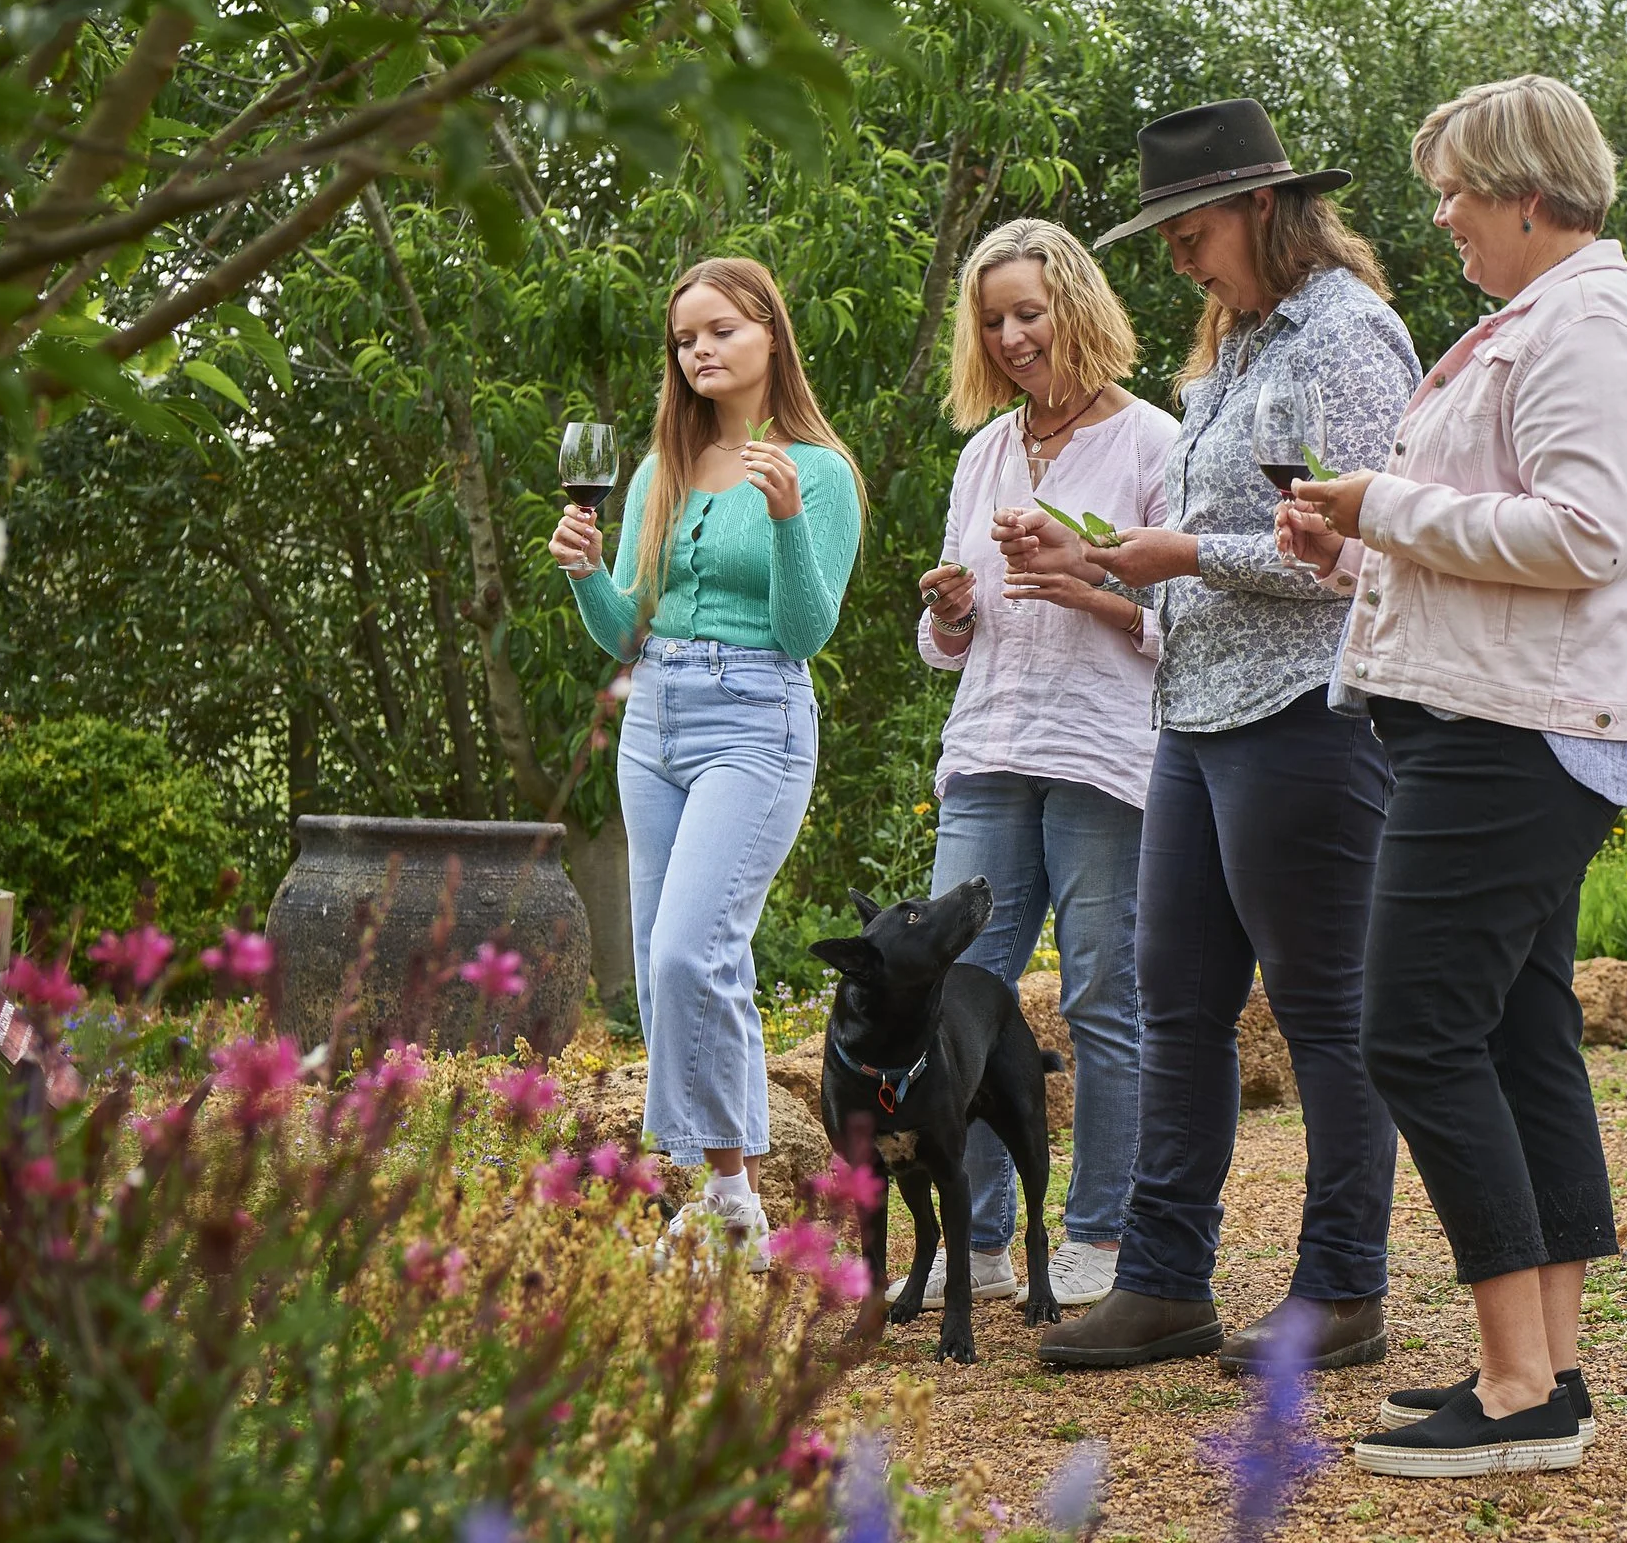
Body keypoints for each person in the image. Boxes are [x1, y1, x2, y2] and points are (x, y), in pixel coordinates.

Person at [1280, 75, 1627, 1475]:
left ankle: (1518, 1391)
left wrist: (1381, 503)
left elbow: (1583, 535)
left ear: (1528, 191)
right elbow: (1503, 541)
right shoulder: (1545, 319)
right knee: (1519, 1039)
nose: (1440, 212)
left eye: (1456, 187)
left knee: (1412, 1032)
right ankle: (1549, 1376)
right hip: (1494, 715)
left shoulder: (1587, 325)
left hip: (1514, 735)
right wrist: (1349, 548)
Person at [1014, 99, 1418, 1373]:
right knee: (1174, 999)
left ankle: (1342, 1287)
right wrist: (1108, 567)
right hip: (1190, 710)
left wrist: (1184, 549)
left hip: (1307, 710)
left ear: (1258, 206)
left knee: (1322, 1011)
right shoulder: (1233, 350)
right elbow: (1210, 558)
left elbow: (1358, 553)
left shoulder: (1348, 336)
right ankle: (1164, 1279)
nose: (1177, 257)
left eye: (1188, 230)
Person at [550, 256, 865, 1264]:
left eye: (721, 329)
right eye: (686, 339)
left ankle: (730, 1196)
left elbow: (805, 630)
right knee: (658, 963)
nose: (701, 351)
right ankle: (724, 1198)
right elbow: (624, 634)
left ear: (771, 333)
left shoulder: (816, 472)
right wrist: (585, 573)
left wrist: (783, 523)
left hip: (755, 714)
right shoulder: (658, 468)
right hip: (656, 717)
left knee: (695, 947)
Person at [910, 218, 1178, 1311]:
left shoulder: (1155, 441)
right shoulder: (984, 452)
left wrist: (1095, 594)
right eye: (993, 319)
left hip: (1103, 754)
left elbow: (1192, 619)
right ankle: (970, 1240)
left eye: (1030, 311)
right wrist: (952, 609)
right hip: (987, 750)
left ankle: (1099, 1235)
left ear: (1076, 304)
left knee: (1102, 995)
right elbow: (944, 650)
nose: (1014, 336)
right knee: (952, 995)